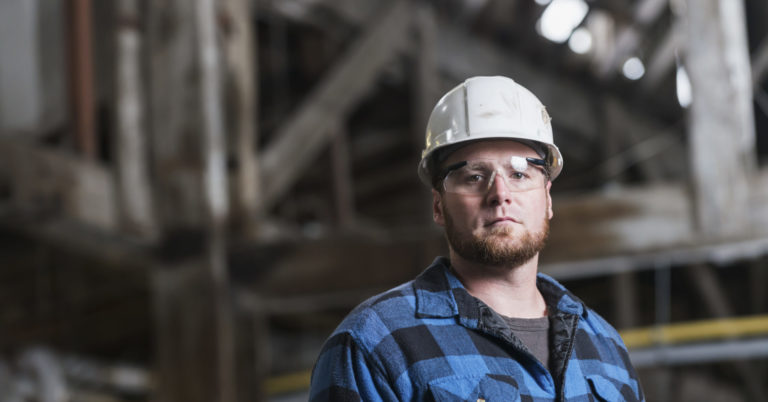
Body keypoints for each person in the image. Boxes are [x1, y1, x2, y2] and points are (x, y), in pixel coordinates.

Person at [309, 76, 644, 401]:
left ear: (548, 198)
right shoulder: (376, 343)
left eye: (519, 173)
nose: (500, 194)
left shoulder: (606, 347)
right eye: (474, 177)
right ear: (438, 205)